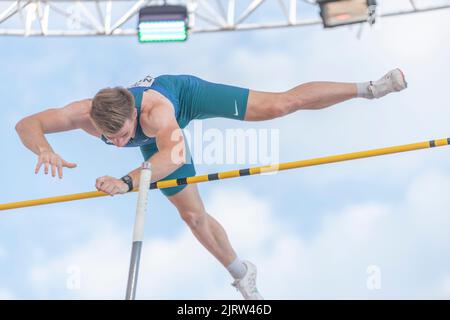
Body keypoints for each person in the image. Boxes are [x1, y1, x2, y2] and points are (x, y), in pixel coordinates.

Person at [15, 69, 407, 299]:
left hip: (183, 97)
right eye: (109, 137)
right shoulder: (83, 114)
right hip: (156, 141)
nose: (117, 143)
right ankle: (242, 272)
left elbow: (173, 157)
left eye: (121, 134)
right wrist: (43, 149)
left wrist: (125, 181)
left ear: (133, 114)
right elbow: (27, 124)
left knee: (280, 105)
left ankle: (368, 89)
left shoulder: (154, 111)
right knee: (193, 217)